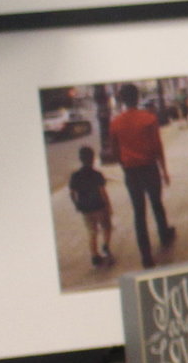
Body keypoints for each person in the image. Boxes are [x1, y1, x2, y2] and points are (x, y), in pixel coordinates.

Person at [107, 87, 174, 267]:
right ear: (137, 98)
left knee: (139, 212)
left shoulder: (115, 123)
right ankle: (164, 234)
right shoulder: (149, 119)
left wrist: (125, 164)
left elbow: (114, 151)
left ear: (122, 100)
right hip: (150, 168)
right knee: (156, 204)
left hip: (131, 171)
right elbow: (157, 146)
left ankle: (146, 255)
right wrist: (164, 170)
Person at [67, 146, 114, 269]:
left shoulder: (75, 176)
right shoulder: (97, 174)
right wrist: (108, 206)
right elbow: (102, 192)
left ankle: (94, 256)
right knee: (106, 227)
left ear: (80, 159)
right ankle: (106, 246)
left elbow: (72, 193)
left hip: (86, 209)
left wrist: (76, 204)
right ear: (93, 159)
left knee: (92, 232)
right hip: (99, 206)